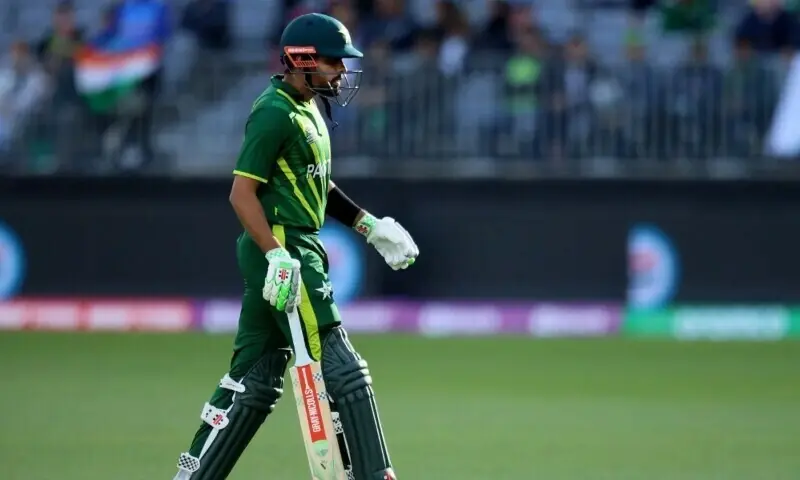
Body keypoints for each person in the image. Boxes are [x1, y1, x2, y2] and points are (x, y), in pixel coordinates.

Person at [171, 12, 418, 480]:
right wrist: (276, 255)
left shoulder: (310, 110)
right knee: (341, 365)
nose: (342, 72)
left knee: (254, 381)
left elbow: (317, 187)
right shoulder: (273, 111)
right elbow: (241, 193)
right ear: (302, 60)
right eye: (333, 62)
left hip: (295, 245)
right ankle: (374, 473)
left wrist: (370, 226)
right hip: (286, 246)